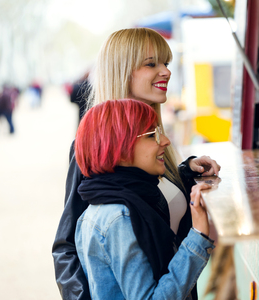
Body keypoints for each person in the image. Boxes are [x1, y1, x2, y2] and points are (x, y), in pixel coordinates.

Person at [52, 28, 221, 300]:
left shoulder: (154, 143)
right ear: (122, 70)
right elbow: (66, 246)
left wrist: (184, 173)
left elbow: (146, 198)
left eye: (166, 63)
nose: (165, 71)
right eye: (151, 64)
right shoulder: (95, 147)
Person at [74, 99, 214, 299]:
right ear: (119, 148)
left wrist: (186, 171)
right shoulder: (119, 218)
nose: (165, 140)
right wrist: (198, 236)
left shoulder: (102, 207)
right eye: (151, 135)